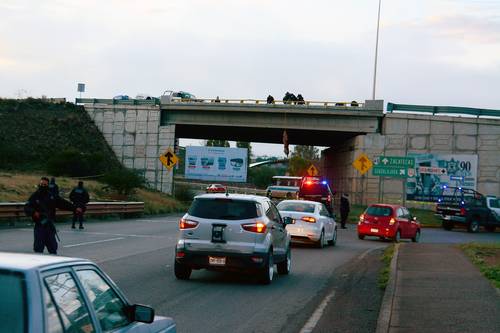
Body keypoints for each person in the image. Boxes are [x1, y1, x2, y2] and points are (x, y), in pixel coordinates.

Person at [24, 177, 75, 254]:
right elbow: (27, 207)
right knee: (38, 248)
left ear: (48, 185)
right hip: (39, 225)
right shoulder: (35, 196)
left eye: (44, 184)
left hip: (49, 225)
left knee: (52, 248)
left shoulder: (52, 196)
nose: (42, 186)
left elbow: (63, 203)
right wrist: (33, 212)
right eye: (41, 184)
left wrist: (75, 208)